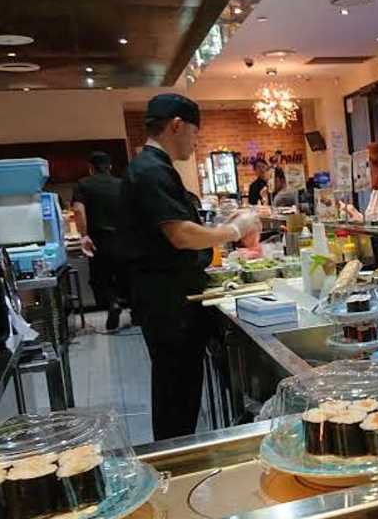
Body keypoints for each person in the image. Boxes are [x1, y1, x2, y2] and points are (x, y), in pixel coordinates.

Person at [118, 93, 261, 441]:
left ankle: (174, 459)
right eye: (195, 133)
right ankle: (173, 467)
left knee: (178, 390)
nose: (196, 142)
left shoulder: (153, 167)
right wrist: (234, 230)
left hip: (169, 299)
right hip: (168, 304)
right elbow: (181, 235)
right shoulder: (151, 170)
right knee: (175, 395)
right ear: (177, 125)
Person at [72, 151, 128, 332]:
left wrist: (84, 235)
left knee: (100, 279)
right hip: (122, 238)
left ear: (91, 168)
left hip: (98, 239)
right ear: (110, 167)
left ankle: (112, 304)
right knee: (126, 276)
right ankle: (136, 314)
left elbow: (79, 211)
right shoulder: (121, 184)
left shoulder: (83, 184)